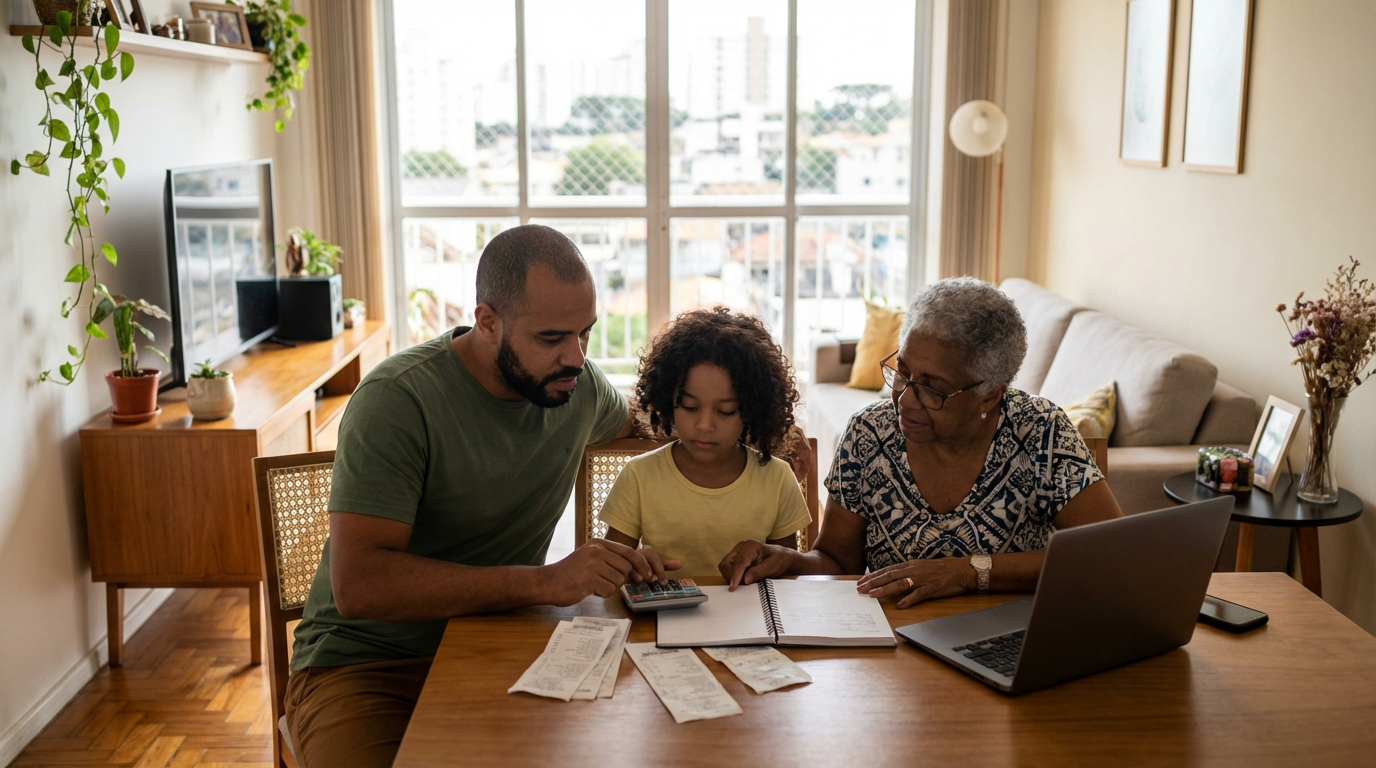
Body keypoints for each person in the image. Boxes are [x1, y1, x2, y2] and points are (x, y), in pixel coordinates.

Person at [284, 225, 675, 767]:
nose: (576, 356)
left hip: (501, 640)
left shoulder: (576, 386)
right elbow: (360, 586)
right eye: (552, 338)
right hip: (367, 664)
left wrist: (768, 444)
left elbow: (649, 422)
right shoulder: (397, 400)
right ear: (487, 322)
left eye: (585, 333)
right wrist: (546, 582)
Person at [719, 277, 1123, 603]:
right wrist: (786, 558)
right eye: (903, 371)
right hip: (896, 640)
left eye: (933, 388)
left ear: (990, 394)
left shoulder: (1040, 431)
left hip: (1006, 636)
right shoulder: (869, 434)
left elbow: (1108, 553)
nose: (905, 400)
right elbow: (838, 562)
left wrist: (967, 572)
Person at [598, 308, 813, 579]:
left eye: (725, 411)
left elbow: (785, 576)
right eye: (689, 407)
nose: (704, 425)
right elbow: (611, 573)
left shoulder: (777, 478)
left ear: (753, 409)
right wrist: (634, 568)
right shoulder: (638, 476)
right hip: (663, 606)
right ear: (668, 401)